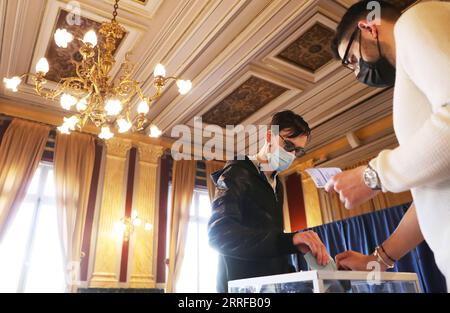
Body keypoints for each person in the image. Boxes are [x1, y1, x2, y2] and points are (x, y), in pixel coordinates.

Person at [325, 0, 450, 290]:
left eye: (353, 60)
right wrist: (378, 259)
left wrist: (373, 175)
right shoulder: (412, 77)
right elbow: (431, 192)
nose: (358, 74)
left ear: (368, 27)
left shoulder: (415, 19)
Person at [208, 110, 330, 293]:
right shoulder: (237, 173)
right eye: (288, 145)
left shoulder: (277, 185)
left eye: (298, 150)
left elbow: (271, 241)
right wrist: (289, 241)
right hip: (240, 290)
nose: (292, 154)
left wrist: (293, 275)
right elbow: (219, 235)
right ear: (269, 136)